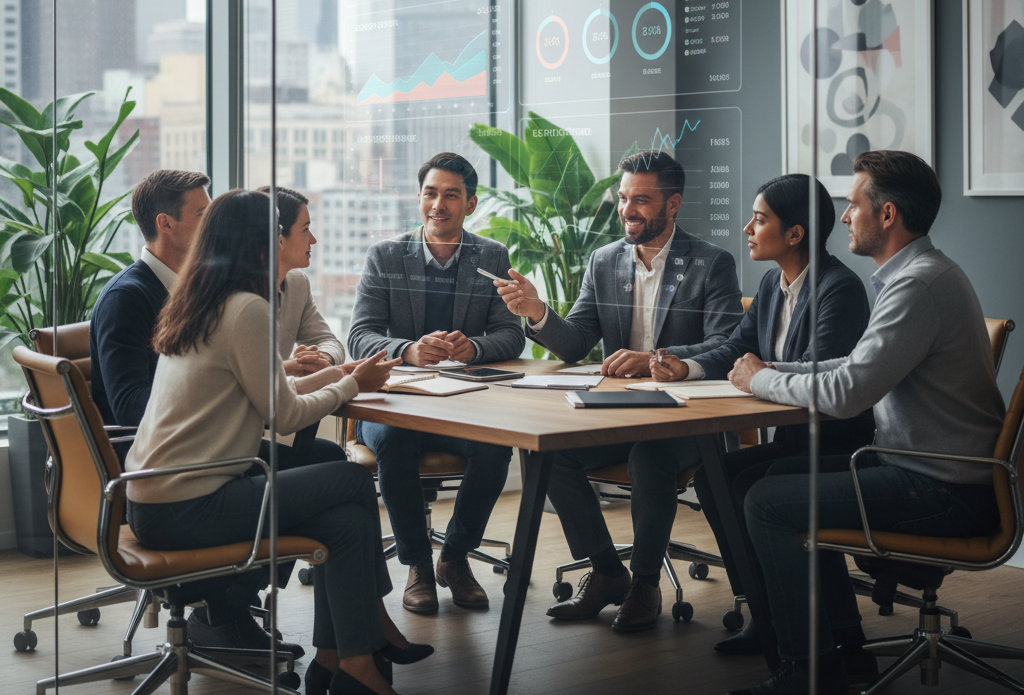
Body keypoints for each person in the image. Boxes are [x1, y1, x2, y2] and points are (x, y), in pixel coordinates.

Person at [124, 189, 434, 695]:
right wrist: (349, 386)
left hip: (162, 496)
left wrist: (343, 375)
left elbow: (272, 397)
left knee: (342, 520)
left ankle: (342, 660)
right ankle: (356, 650)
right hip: (190, 504)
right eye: (285, 230)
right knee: (354, 481)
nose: (300, 238)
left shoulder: (203, 300)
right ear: (260, 244)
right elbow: (285, 417)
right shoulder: (247, 310)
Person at [722, 152, 1005, 695]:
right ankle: (844, 647)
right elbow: (850, 364)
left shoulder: (917, 286)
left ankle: (811, 672)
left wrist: (763, 382)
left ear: (888, 214)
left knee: (768, 502)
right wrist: (776, 373)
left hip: (942, 488)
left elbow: (848, 392)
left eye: (853, 205)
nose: (845, 217)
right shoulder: (917, 276)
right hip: (918, 468)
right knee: (773, 477)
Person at [496, 150, 743, 632]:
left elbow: (727, 343)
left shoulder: (711, 263)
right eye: (624, 198)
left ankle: (645, 583)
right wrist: (537, 313)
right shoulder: (605, 260)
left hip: (685, 415)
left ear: (672, 205)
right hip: (619, 412)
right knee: (550, 453)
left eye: (642, 200)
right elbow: (575, 344)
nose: (627, 210)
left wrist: (655, 361)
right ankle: (608, 571)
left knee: (650, 458)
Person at [650, 175, 872, 655]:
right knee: (715, 477)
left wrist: (759, 373)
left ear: (795, 233)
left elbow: (821, 371)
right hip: (792, 439)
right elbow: (737, 348)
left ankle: (824, 628)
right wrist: (683, 366)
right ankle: (765, 609)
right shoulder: (774, 283)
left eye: (760, 219)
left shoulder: (840, 288)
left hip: (833, 442)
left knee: (752, 485)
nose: (747, 228)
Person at [347, 152, 525, 614]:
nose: (438, 205)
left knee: (494, 446)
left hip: (461, 405)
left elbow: (511, 334)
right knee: (393, 440)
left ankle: (455, 557)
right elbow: (359, 335)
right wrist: (406, 350)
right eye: (430, 193)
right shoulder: (385, 256)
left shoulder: (490, 256)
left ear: (471, 202)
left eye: (451, 195)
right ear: (419, 197)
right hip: (397, 402)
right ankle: (417, 566)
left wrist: (476, 349)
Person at [90, 169, 211, 434]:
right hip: (160, 459)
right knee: (322, 463)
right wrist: (218, 397)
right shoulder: (125, 299)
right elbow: (129, 405)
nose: (213, 226)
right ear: (166, 224)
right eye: (203, 216)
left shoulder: (191, 288)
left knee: (322, 457)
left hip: (199, 442)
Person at [257, 185, 349, 465]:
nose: (314, 240)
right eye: (305, 229)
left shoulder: (297, 283)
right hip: (248, 431)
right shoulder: (238, 299)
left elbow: (330, 341)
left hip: (278, 421)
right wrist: (289, 367)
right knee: (345, 474)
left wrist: (322, 359)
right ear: (278, 239)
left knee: (335, 458)